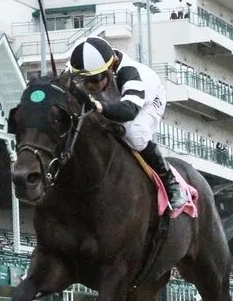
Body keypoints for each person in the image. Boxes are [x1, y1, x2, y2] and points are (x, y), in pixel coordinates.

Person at [68, 35, 185, 210]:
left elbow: (129, 111)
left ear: (111, 66)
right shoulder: (80, 65)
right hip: (116, 101)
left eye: (93, 80)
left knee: (134, 133)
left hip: (146, 101)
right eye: (84, 80)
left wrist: (99, 106)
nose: (89, 86)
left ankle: (171, 182)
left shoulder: (131, 73)